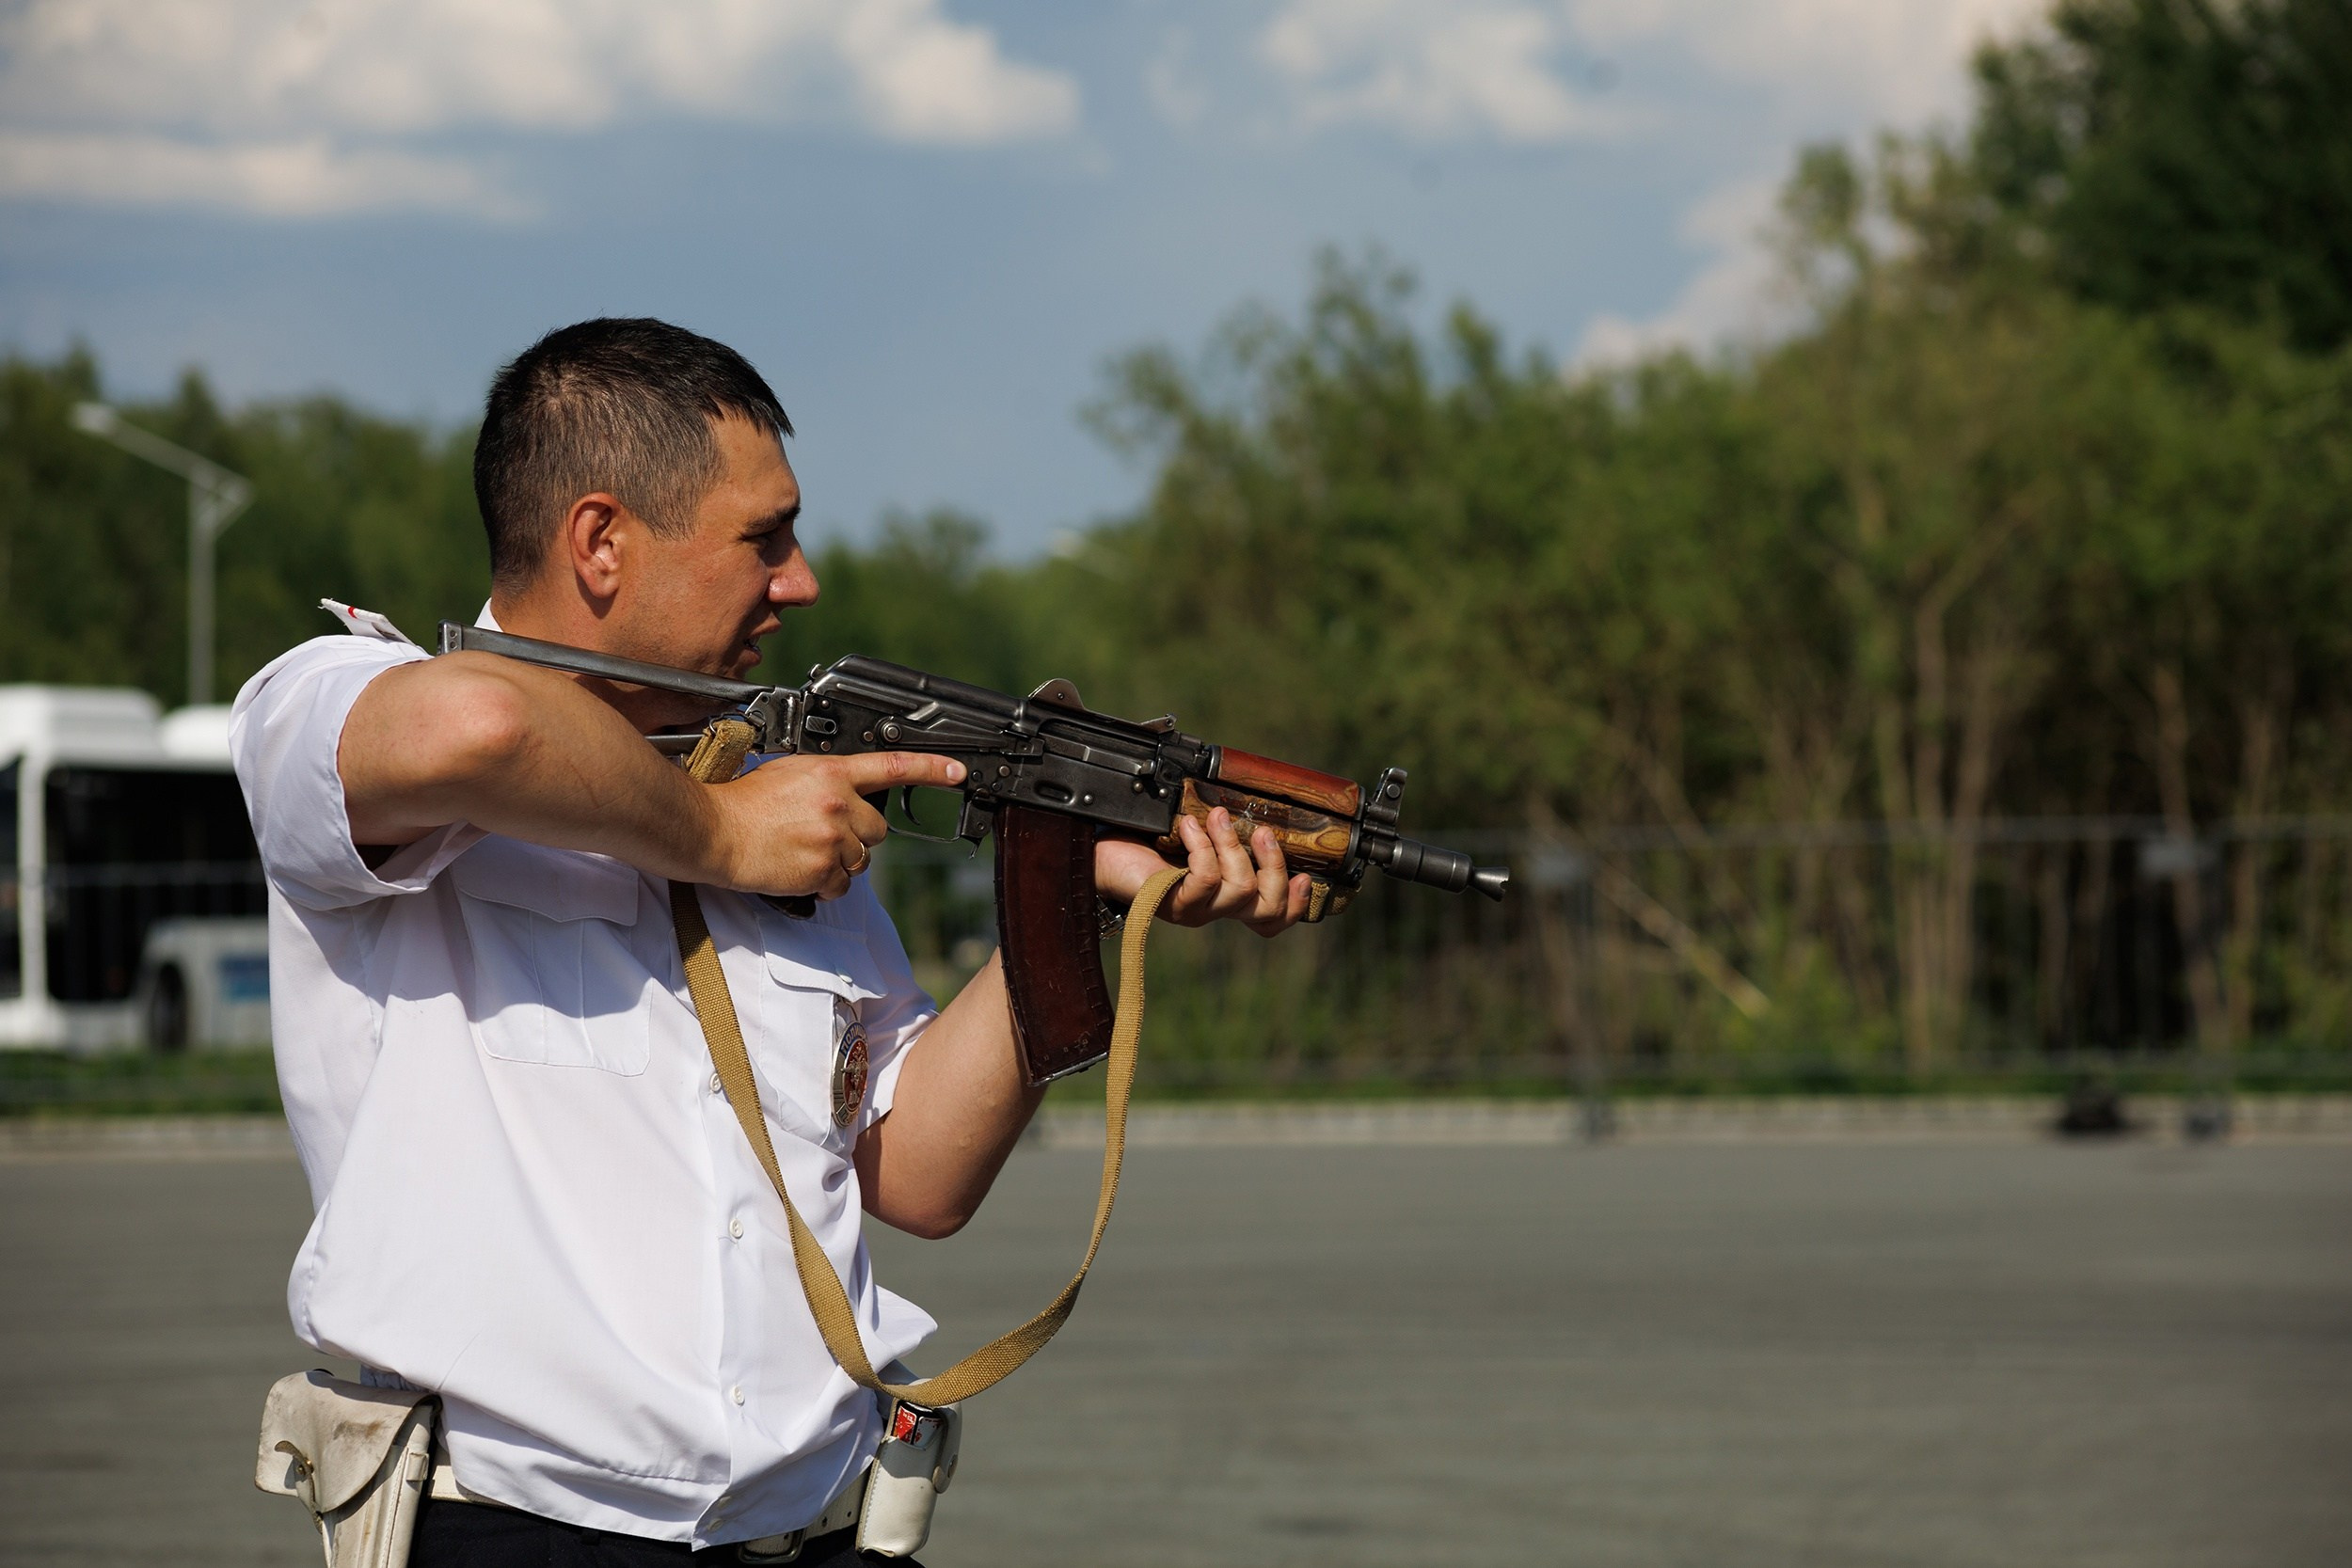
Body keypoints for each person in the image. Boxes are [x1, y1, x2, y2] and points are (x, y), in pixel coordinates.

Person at [230, 317, 1308, 1565]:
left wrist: (1077, 898)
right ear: (600, 542)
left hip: (822, 1533)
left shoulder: (771, 792)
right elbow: (478, 729)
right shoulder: (334, 695)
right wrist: (720, 835)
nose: (800, 582)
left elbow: (916, 1173)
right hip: (522, 1534)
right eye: (763, 538)